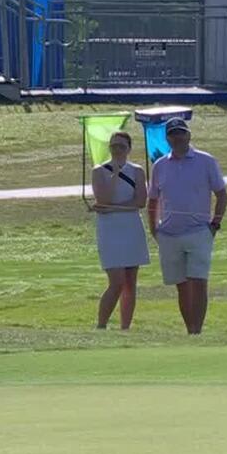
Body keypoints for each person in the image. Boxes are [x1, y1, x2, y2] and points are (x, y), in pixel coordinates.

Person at [147, 118, 227, 335]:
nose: (177, 138)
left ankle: (197, 330)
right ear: (167, 138)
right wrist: (153, 228)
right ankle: (189, 329)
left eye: (181, 133)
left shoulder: (206, 161)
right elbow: (153, 200)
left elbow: (221, 195)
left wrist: (215, 224)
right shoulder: (160, 165)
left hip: (199, 231)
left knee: (198, 281)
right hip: (169, 234)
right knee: (181, 284)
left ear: (189, 135)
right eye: (173, 134)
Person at [90, 131, 149, 330]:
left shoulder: (137, 170)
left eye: (121, 146)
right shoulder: (99, 171)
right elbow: (103, 199)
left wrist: (114, 208)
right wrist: (114, 174)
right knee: (116, 281)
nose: (117, 150)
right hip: (110, 230)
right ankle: (101, 325)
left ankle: (125, 328)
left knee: (130, 282)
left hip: (131, 227)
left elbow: (140, 201)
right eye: (114, 146)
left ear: (129, 149)